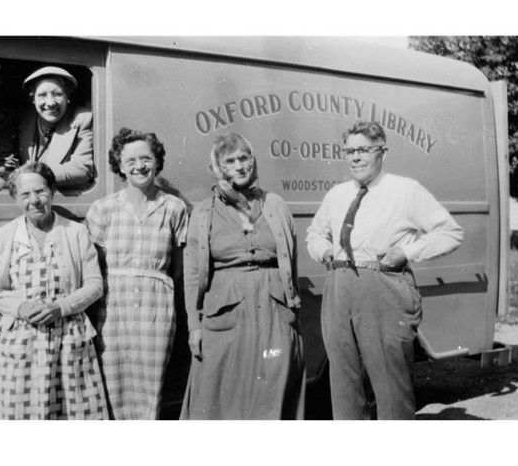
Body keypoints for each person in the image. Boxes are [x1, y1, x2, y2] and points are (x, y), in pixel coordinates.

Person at [305, 120, 463, 420]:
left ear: (382, 152)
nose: (355, 158)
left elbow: (450, 232)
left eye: (364, 150)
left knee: (389, 384)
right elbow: (314, 233)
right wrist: (325, 251)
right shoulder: (337, 194)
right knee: (343, 381)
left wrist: (407, 252)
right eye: (349, 151)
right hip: (339, 286)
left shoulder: (405, 190)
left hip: (383, 286)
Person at [181, 133, 305, 420]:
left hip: (274, 311)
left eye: (244, 158)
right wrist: (194, 326)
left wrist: (292, 310)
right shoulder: (203, 212)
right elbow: (191, 275)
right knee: (217, 393)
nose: (239, 166)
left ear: (253, 161)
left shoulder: (275, 205)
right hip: (225, 312)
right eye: (230, 161)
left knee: (273, 390)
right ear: (217, 168)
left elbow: (291, 261)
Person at [0, 162, 106, 420]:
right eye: (25, 194)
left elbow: (94, 285)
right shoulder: (5, 237)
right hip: (21, 341)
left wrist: (60, 308)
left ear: (52, 191)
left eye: (40, 192)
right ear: (15, 198)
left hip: (69, 338)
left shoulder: (76, 232)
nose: (34, 200)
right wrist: (21, 308)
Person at [85, 128, 188, 419]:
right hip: (113, 307)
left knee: (150, 386)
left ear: (157, 161)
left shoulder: (174, 208)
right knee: (111, 382)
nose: (139, 166)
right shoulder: (102, 209)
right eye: (130, 160)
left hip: (156, 307)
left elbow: (178, 269)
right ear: (119, 165)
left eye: (146, 158)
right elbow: (94, 268)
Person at [0, 66, 93, 188]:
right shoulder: (19, 118)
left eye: (57, 94)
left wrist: (31, 175)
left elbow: (82, 169)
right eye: (42, 95)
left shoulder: (83, 118)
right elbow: (5, 160)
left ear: (67, 97)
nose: (50, 103)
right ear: (33, 99)